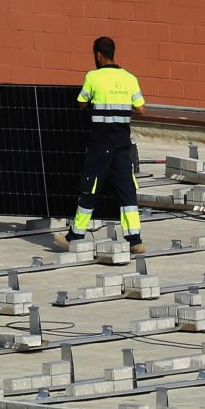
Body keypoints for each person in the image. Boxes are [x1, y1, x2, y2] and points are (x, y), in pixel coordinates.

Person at [64, 35, 146, 252]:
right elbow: (141, 108)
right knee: (127, 191)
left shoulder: (93, 77)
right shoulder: (130, 78)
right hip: (121, 146)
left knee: (89, 188)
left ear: (98, 55)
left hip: (100, 145)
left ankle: (76, 235)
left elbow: (81, 102)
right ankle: (135, 240)